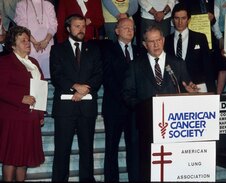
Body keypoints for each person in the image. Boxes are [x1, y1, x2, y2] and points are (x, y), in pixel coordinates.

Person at [123, 25, 198, 181]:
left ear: (163, 40)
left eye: (158, 40)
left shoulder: (177, 63)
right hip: (145, 126)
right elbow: (127, 94)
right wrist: (145, 109)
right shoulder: (135, 65)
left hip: (172, 128)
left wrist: (191, 93)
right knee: (146, 169)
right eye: (151, 41)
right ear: (144, 44)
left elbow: (186, 89)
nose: (156, 45)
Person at [50, 14, 102, 181]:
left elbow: (99, 74)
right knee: (62, 150)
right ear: (68, 29)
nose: (81, 29)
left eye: (83, 26)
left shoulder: (93, 49)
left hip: (87, 108)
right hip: (65, 109)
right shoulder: (57, 49)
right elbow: (57, 75)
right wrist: (75, 86)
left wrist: (83, 91)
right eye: (77, 26)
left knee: (86, 150)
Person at [0, 26, 45, 181]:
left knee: (23, 159)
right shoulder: (5, 62)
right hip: (14, 118)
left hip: (30, 118)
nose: (28, 43)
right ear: (13, 45)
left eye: (28, 40)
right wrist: (20, 97)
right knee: (11, 158)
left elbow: (40, 89)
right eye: (23, 40)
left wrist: (40, 113)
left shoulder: (33, 62)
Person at [102, 18, 140, 182]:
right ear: (116, 31)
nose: (129, 31)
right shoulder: (107, 51)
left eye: (132, 28)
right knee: (111, 147)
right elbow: (108, 78)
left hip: (134, 109)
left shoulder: (140, 51)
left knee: (134, 148)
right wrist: (126, 98)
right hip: (114, 106)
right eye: (125, 28)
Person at [164, 3, 216, 92]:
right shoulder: (166, 41)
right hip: (174, 89)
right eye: (177, 18)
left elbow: (208, 66)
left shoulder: (200, 38)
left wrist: (212, 91)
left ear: (189, 19)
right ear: (172, 20)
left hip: (198, 87)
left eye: (183, 18)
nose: (180, 22)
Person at [14, 0, 58, 79]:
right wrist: (34, 42)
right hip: (29, 45)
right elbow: (22, 25)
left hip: (47, 45)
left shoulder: (48, 5)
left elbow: (53, 25)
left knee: (48, 76)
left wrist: (46, 41)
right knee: (32, 76)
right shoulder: (22, 4)